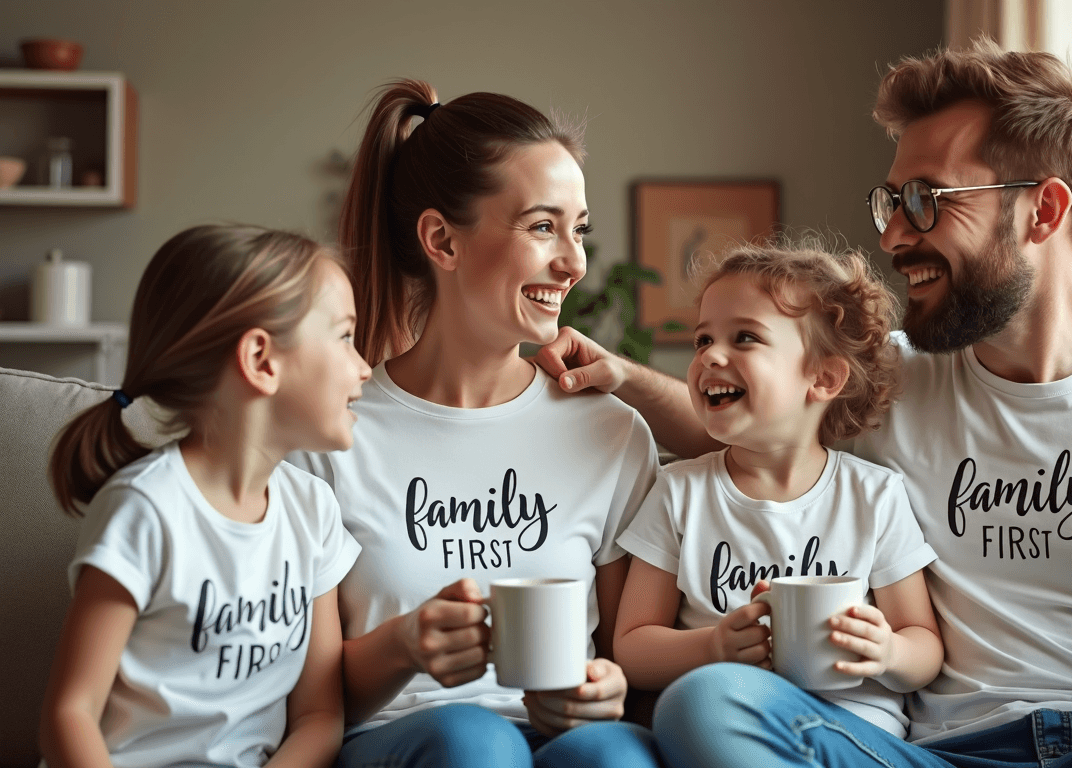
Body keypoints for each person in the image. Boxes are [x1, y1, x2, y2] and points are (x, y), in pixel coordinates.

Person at [538, 39, 1072, 767]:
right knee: (711, 702)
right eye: (891, 203)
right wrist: (624, 377)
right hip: (942, 756)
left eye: (927, 200)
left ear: (1044, 210)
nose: (893, 237)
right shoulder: (892, 378)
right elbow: (753, 430)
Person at [287, 81, 662, 768]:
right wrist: (404, 644)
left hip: (561, 740)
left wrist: (609, 691)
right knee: (475, 743)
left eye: (578, 229)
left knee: (615, 755)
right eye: (542, 226)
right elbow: (308, 699)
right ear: (441, 240)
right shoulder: (333, 436)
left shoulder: (612, 433)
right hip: (406, 739)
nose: (574, 262)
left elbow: (626, 662)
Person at [39, 225, 367, 768]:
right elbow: (68, 715)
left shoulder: (314, 512)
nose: (362, 366)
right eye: (345, 336)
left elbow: (318, 717)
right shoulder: (145, 510)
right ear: (262, 360)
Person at [613, 242, 943, 739]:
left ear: (824, 377)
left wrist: (889, 652)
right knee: (695, 707)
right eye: (703, 340)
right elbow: (633, 647)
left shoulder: (873, 495)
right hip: (728, 720)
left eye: (744, 337)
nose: (710, 356)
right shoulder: (679, 492)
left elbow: (925, 644)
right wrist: (713, 647)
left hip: (850, 731)